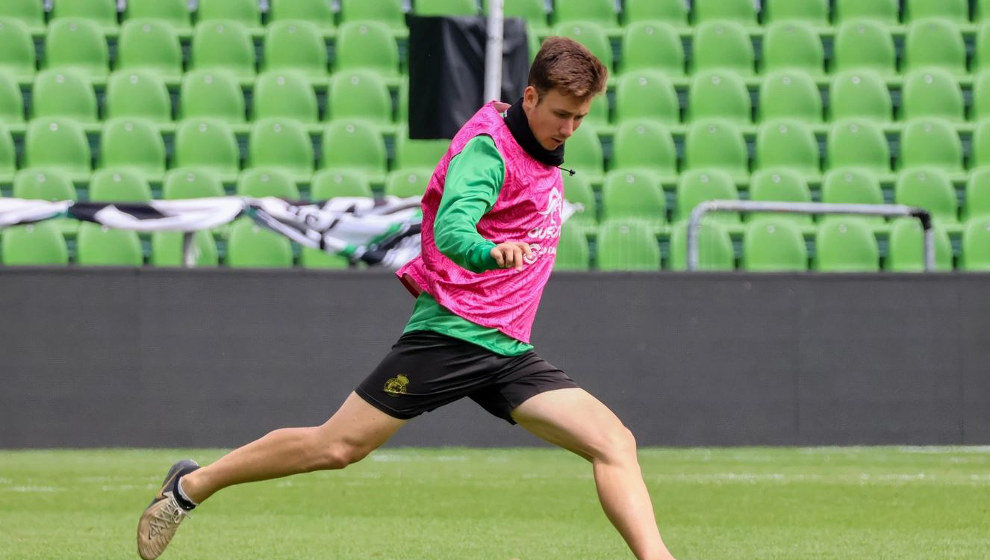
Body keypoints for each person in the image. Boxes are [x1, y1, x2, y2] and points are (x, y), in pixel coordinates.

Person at [137, 37, 677, 560]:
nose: (569, 129)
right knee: (336, 447)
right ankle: (190, 486)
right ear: (529, 96)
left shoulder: (542, 146)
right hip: (452, 333)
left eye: (580, 119)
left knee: (614, 442)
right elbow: (451, 229)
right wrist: (490, 253)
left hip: (507, 349)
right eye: (562, 114)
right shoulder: (489, 153)